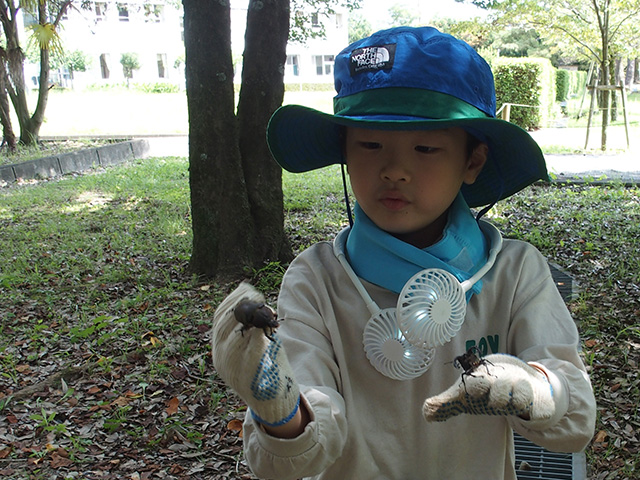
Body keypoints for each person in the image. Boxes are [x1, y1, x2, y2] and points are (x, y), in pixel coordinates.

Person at [212, 26, 596, 479]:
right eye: (370, 144)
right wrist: (279, 410)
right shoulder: (318, 279)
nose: (394, 170)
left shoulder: (513, 274)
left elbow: (574, 424)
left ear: (473, 160)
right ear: (344, 152)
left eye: (426, 147)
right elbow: (303, 450)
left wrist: (534, 389)